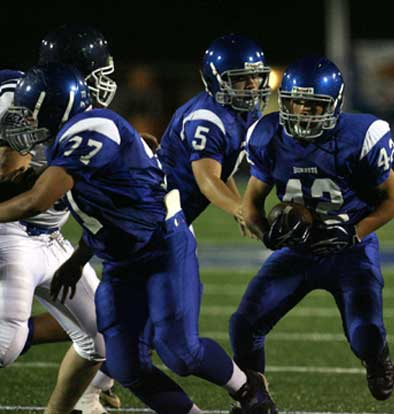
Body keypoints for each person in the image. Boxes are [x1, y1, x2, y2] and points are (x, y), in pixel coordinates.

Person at [0, 62, 277, 414]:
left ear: (56, 108)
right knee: (127, 365)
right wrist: (78, 258)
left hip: (160, 245)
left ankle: (249, 392)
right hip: (119, 256)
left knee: (180, 351)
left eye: (31, 113)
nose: (24, 122)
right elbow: (103, 209)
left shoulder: (89, 128)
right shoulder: (71, 137)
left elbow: (36, 200)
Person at [229, 55, 394, 402]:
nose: (302, 111)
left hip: (350, 251)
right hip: (296, 253)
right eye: (296, 101)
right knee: (243, 325)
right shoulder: (268, 135)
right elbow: (251, 204)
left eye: (313, 104)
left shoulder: (359, 138)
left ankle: (376, 358)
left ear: (334, 105)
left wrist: (355, 231)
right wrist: (267, 231)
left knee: (365, 334)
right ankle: (256, 399)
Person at [0, 24, 119, 414]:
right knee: (5, 345)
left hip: (52, 238)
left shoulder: (86, 115)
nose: (107, 85)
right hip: (10, 230)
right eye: (99, 74)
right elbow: (13, 179)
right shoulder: (15, 98)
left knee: (102, 340)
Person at [157, 34, 271, 235]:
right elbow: (208, 181)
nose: (252, 84)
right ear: (216, 79)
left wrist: (239, 208)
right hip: (156, 212)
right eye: (240, 77)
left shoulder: (246, 112)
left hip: (176, 215)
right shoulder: (207, 119)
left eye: (255, 76)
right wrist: (243, 210)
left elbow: (221, 169)